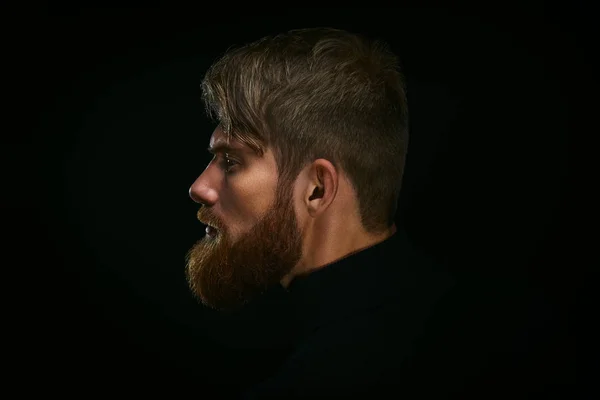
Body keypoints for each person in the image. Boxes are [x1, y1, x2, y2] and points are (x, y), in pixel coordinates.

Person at [186, 28, 534, 399]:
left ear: (317, 188)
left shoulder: (325, 380)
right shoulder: (499, 330)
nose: (199, 187)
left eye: (230, 161)